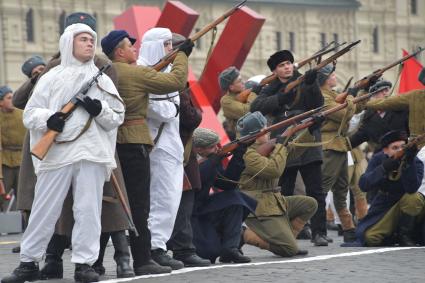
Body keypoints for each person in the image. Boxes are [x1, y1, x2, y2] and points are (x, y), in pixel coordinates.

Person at [12, 13, 134, 279]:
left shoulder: (101, 78)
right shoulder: (50, 77)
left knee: (88, 210)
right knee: (44, 209)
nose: (90, 44)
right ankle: (28, 262)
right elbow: (30, 113)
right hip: (56, 153)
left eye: (92, 39)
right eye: (83, 39)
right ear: (69, 43)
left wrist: (99, 109)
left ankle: (84, 264)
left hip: (91, 152)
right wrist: (50, 119)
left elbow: (117, 115)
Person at [101, 28, 193, 275]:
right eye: (166, 45)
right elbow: (174, 86)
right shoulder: (136, 72)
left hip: (124, 143)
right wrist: (182, 56)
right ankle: (144, 257)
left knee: (112, 202)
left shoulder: (115, 71)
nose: (135, 48)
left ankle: (98, 261)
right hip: (137, 141)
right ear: (119, 52)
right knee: (140, 204)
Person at [250, 49, 327, 245]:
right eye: (282, 65)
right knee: (285, 190)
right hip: (284, 140)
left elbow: (318, 104)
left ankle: (320, 232)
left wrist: (311, 84)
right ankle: (286, 231)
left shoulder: (305, 80)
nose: (287, 67)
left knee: (315, 189)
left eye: (289, 64)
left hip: (307, 137)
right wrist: (281, 98)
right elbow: (256, 106)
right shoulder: (272, 88)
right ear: (275, 71)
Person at [135, 27, 186, 270]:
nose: (170, 49)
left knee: (170, 198)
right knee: (159, 197)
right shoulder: (142, 70)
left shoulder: (164, 70)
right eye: (166, 45)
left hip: (170, 143)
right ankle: (155, 247)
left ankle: (160, 244)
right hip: (155, 143)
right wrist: (174, 108)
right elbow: (157, 109)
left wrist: (173, 106)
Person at [237, 111, 318, 257]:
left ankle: (288, 240)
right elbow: (273, 170)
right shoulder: (248, 154)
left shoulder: (268, 147)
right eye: (265, 129)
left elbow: (291, 152)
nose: (268, 132)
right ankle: (243, 234)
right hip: (257, 207)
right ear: (256, 134)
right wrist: (281, 143)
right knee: (289, 250)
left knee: (310, 204)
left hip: (273, 202)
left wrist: (309, 130)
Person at [166, 30, 211, 269]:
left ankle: (181, 247)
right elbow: (190, 117)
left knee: (185, 198)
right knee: (181, 201)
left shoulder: (176, 78)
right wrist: (197, 114)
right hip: (174, 149)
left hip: (182, 148)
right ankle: (181, 249)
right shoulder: (170, 79)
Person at [317, 64, 372, 243]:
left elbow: (356, 109)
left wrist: (364, 89)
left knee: (342, 189)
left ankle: (348, 228)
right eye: (331, 75)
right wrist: (352, 93)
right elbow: (343, 114)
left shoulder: (333, 95)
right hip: (329, 145)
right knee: (323, 190)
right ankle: (318, 230)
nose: (335, 77)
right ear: (325, 79)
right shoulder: (322, 97)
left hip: (340, 145)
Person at [191, 128, 256, 263]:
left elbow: (227, 184)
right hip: (188, 215)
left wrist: (238, 155)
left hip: (202, 208)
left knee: (235, 198)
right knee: (208, 254)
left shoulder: (209, 160)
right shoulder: (189, 160)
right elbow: (198, 179)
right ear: (198, 149)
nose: (217, 149)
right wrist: (215, 159)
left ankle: (230, 249)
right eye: (212, 147)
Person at [356, 130, 425, 246]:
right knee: (370, 238)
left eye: (403, 147)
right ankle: (393, 235)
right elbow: (364, 184)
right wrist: (384, 168)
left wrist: (409, 162)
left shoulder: (415, 161)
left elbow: (412, 188)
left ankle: (405, 235)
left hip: (409, 205)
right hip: (385, 206)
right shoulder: (378, 159)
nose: (399, 150)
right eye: (395, 147)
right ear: (385, 150)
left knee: (413, 198)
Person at [350, 79, 409, 153]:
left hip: (405, 153)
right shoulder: (367, 120)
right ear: (373, 95)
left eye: (387, 90)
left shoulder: (402, 110)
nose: (385, 93)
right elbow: (351, 142)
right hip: (383, 158)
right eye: (381, 91)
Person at [0, 86, 26, 211]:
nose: (12, 100)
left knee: (24, 196)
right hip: (4, 161)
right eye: (9, 98)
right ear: (1, 102)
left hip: (22, 159)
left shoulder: (22, 114)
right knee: (2, 195)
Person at [219, 66, 257, 139]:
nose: (243, 82)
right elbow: (247, 111)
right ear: (231, 87)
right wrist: (254, 93)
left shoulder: (245, 92)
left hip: (253, 133)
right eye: (239, 81)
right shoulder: (226, 101)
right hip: (240, 137)